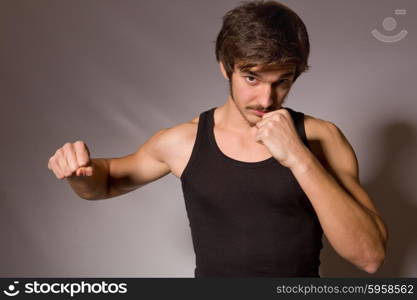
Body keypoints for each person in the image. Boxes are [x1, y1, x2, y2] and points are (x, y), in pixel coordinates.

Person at [47, 0, 387, 277]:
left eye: (282, 81)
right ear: (226, 66)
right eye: (252, 78)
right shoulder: (183, 141)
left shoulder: (321, 138)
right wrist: (81, 173)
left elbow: (370, 256)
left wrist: (299, 157)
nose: (267, 100)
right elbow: (105, 182)